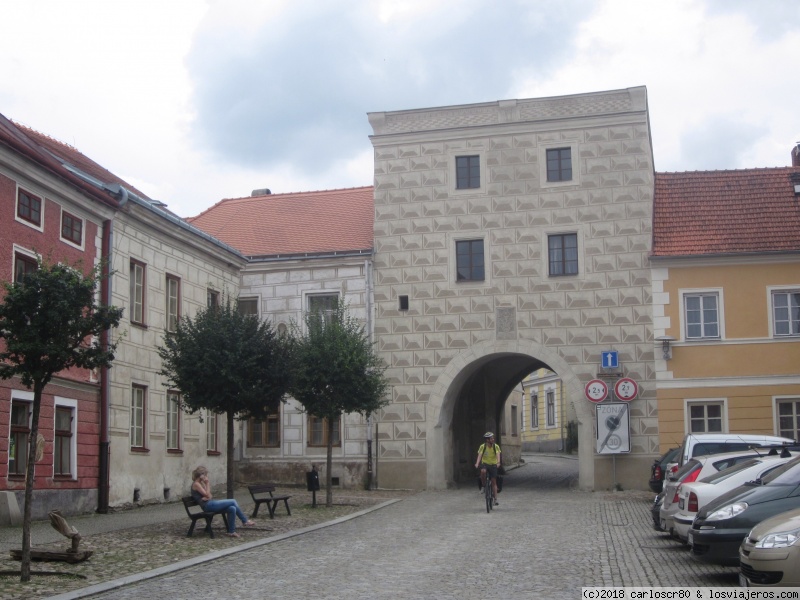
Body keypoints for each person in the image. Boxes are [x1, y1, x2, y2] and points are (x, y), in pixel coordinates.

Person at [191, 466, 256, 538]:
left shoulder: (201, 483)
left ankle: (231, 532)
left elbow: (210, 496)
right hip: (208, 506)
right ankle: (245, 521)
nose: (206, 477)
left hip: (210, 503)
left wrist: (207, 495)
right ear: (201, 475)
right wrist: (207, 483)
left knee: (232, 508)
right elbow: (207, 494)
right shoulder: (196, 484)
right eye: (206, 475)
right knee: (233, 501)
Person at [475, 432, 502, 506]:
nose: (493, 439)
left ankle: (495, 499)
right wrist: (477, 463)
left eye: (493, 438)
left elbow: (498, 455)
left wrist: (498, 462)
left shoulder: (495, 446)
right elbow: (479, 455)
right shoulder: (482, 447)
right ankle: (483, 486)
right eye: (491, 438)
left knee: (494, 481)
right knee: (483, 471)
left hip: (493, 464)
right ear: (487, 440)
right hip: (485, 464)